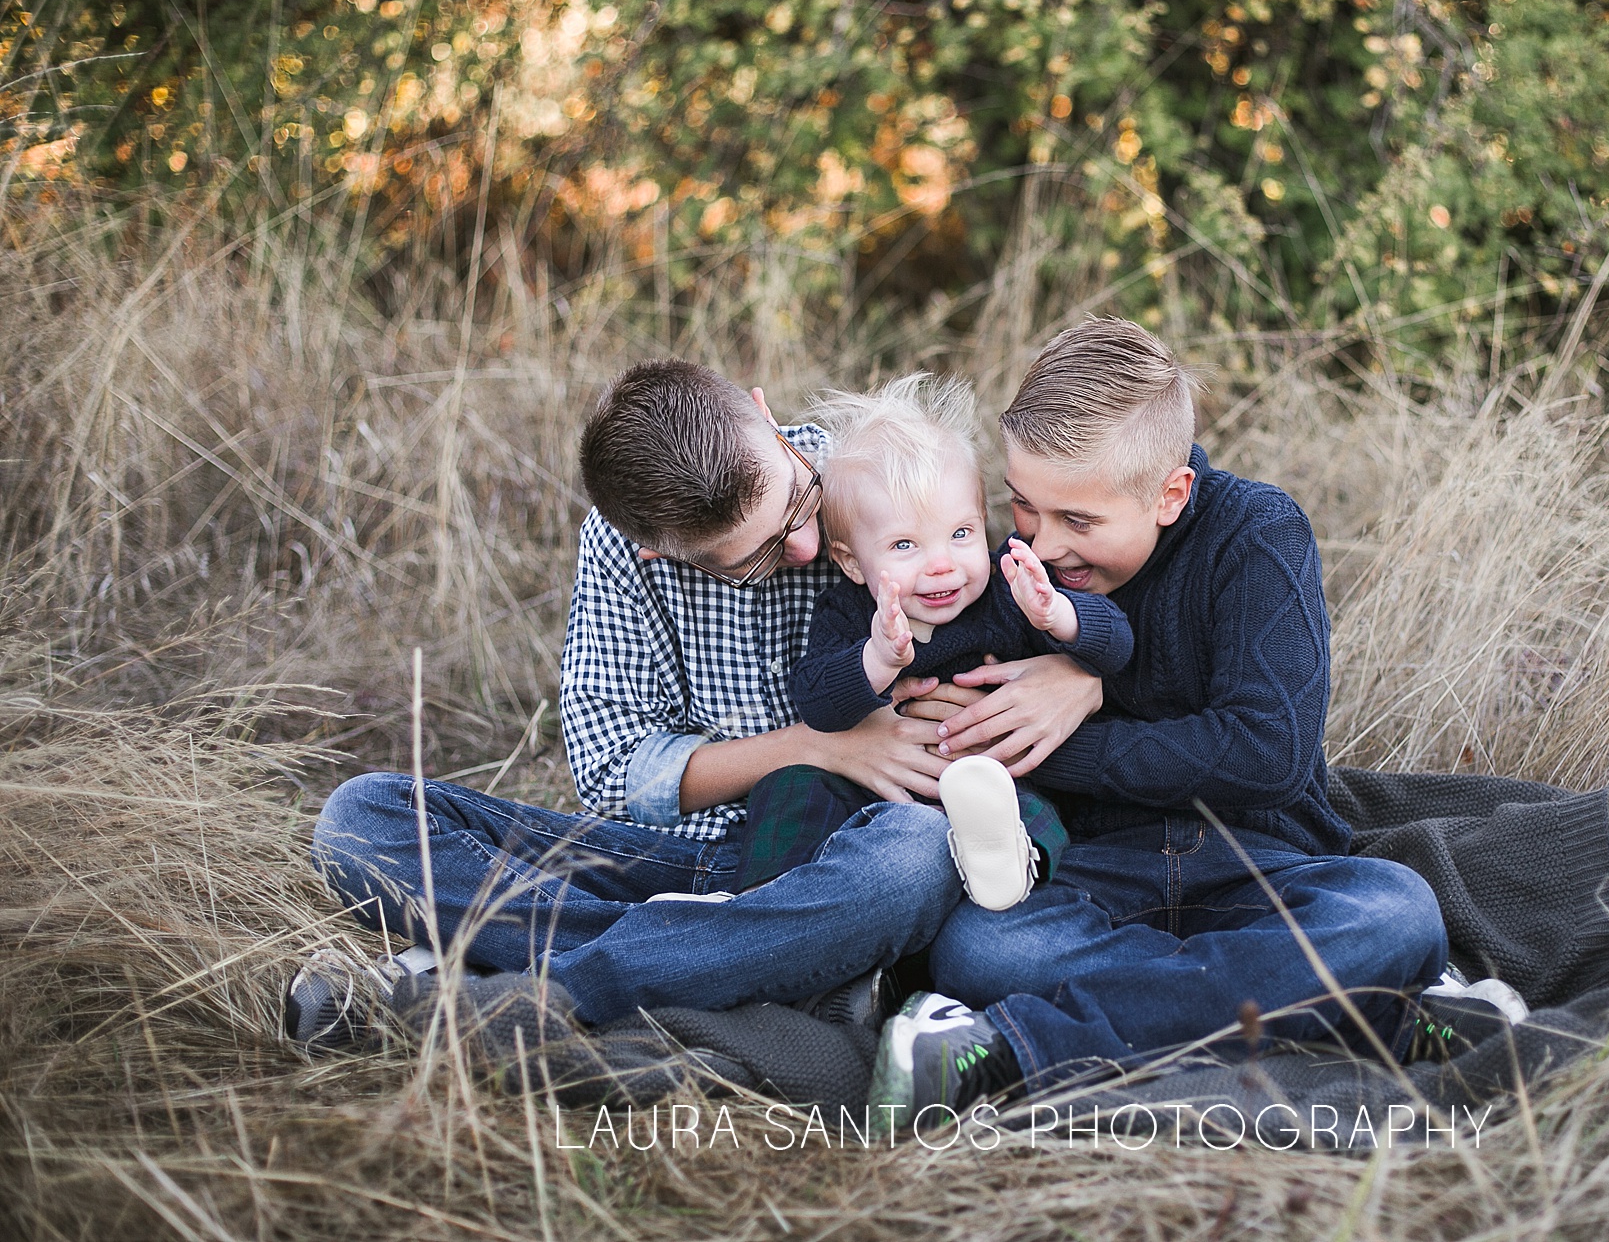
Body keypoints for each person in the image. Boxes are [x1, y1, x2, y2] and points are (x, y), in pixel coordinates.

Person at [289, 360, 1102, 1043]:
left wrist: (1083, 674)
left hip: (848, 847)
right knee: (362, 817)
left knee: (915, 857)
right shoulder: (625, 553)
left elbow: (1062, 570)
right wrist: (815, 745)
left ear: (761, 415)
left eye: (794, 503)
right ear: (659, 549)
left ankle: (544, 987)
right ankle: (724, 959)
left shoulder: (877, 477)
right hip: (685, 861)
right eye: (752, 558)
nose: (808, 547)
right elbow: (612, 767)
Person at [867, 318, 1452, 1121]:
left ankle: (1014, 1047)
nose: (1044, 543)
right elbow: (945, 696)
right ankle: (1365, 1008)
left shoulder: (1257, 534)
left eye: (1080, 521)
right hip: (1102, 872)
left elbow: (1267, 751)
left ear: (1169, 494)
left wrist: (1064, 726)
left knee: (1397, 911)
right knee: (980, 948)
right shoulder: (1016, 563)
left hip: (1262, 863)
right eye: (1024, 507)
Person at [741, 374, 1133, 908]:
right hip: (876, 782)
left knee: (1033, 802)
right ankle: (762, 901)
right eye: (906, 544)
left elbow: (1118, 645)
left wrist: (1059, 615)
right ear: (853, 562)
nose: (942, 563)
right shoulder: (851, 612)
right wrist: (876, 659)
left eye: (961, 533)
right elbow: (815, 703)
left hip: (988, 777)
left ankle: (1013, 865)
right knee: (790, 787)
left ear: (985, 523)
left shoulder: (1008, 586)